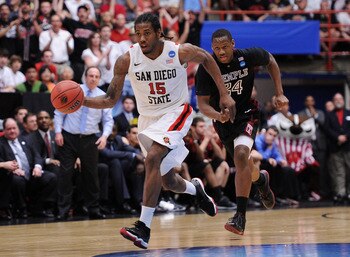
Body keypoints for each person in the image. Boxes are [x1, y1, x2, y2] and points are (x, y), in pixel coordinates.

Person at [82, 12, 235, 249]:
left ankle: (143, 227)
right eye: (138, 34)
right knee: (168, 181)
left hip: (176, 111)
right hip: (148, 119)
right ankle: (196, 189)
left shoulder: (178, 51)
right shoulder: (126, 59)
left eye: (147, 33)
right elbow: (111, 99)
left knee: (153, 157)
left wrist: (224, 94)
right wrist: (81, 101)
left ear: (158, 33)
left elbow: (207, 58)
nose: (141, 38)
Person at [195, 29, 289, 236]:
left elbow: (270, 60)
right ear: (212, 48)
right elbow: (202, 105)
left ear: (233, 44)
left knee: (240, 155)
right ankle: (260, 180)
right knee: (244, 163)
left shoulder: (247, 56)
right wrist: (218, 116)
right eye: (217, 48)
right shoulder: (206, 68)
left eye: (225, 47)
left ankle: (240, 217)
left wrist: (279, 92)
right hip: (224, 121)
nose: (221, 52)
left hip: (247, 113)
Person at [54, 66, 113, 220]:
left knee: (91, 175)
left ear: (99, 79)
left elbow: (108, 120)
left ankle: (93, 209)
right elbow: (59, 112)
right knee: (65, 174)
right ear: (85, 77)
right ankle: (63, 210)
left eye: (96, 76)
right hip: (68, 137)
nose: (93, 78)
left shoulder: (103, 96)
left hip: (89, 139)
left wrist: (105, 136)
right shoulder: (73, 90)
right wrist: (58, 132)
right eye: (91, 75)